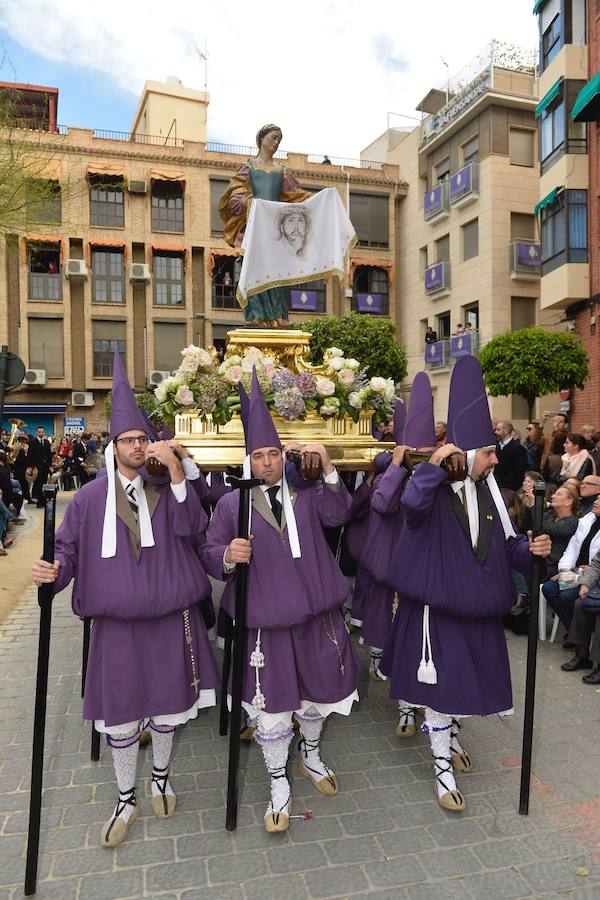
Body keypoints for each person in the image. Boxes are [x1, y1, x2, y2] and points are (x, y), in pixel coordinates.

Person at [32, 353, 219, 848]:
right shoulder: (90, 499)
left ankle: (159, 776)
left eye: (143, 439)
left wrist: (179, 475)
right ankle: (124, 794)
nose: (137, 448)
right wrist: (52, 574)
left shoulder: (175, 491)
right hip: (114, 626)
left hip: (170, 620)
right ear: (113, 447)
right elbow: (67, 552)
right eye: (128, 441)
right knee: (121, 714)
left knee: (166, 709)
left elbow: (197, 535)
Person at [381, 356, 550, 812]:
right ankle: (441, 769)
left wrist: (529, 551)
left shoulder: (493, 493)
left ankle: (451, 739)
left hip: (478, 613)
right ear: (468, 455)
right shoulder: (430, 490)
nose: (497, 459)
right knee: (439, 695)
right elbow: (408, 507)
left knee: (465, 688)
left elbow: (506, 548)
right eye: (490, 452)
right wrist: (435, 464)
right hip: (437, 614)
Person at [201, 371, 358, 833]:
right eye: (258, 455)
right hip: (265, 622)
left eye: (273, 454)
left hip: (317, 614)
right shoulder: (233, 503)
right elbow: (210, 551)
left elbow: (342, 513)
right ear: (247, 459)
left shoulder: (308, 491)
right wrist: (229, 554)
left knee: (315, 694)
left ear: (282, 454)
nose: (267, 462)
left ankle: (309, 754)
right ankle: (277, 781)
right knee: (272, 706)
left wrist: (329, 469)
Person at [219, 124, 310, 325]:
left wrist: (320, 200)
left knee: (277, 269)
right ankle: (255, 315)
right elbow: (233, 197)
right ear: (262, 138)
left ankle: (279, 315)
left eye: (279, 140)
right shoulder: (248, 168)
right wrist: (246, 202)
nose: (276, 143)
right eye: (274, 138)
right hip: (254, 229)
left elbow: (297, 196)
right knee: (253, 268)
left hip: (276, 230)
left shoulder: (282, 171)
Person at [544, 495, 600, 650]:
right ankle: (573, 631)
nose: (595, 501)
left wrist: (585, 572)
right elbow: (572, 548)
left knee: (567, 596)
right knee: (549, 588)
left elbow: (596, 564)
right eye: (597, 498)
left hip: (593, 576)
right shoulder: (587, 521)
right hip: (576, 571)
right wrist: (564, 571)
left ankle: (580, 639)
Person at [494, 420, 528, 491]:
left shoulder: (518, 449)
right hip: (494, 486)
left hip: (509, 488)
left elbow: (519, 471)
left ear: (506, 431)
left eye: (498, 430)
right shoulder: (495, 446)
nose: (495, 432)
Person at [26, 426, 53, 508]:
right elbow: (30, 455)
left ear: (44, 432)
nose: (41, 433)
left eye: (42, 432)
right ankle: (39, 502)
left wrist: (50, 465)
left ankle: (43, 501)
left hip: (45, 466)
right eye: (39, 432)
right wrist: (30, 467)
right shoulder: (33, 442)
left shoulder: (47, 442)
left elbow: (49, 454)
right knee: (39, 484)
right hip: (37, 466)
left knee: (44, 483)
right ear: (37, 432)